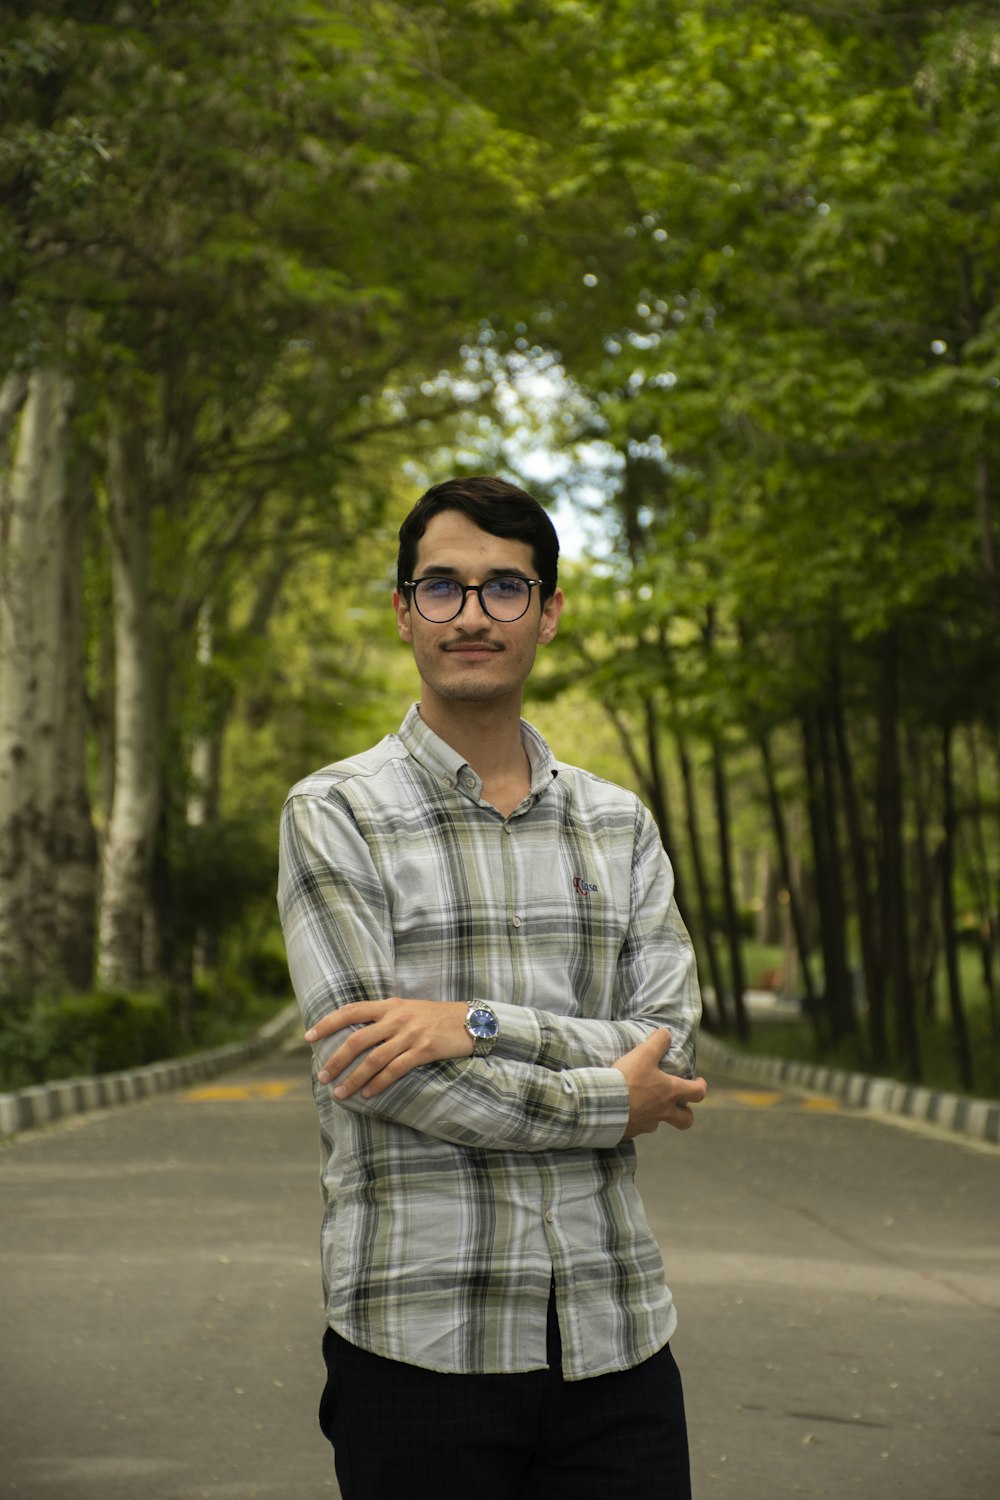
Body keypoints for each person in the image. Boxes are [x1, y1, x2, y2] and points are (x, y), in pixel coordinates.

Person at [277, 475, 708, 1500]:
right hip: (421, 1340)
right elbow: (378, 1073)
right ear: (402, 610)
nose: (472, 615)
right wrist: (613, 1099)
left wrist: (468, 1024)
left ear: (548, 613)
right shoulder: (334, 812)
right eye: (443, 587)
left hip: (616, 1338)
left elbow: (671, 1045)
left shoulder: (620, 824)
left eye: (505, 588)